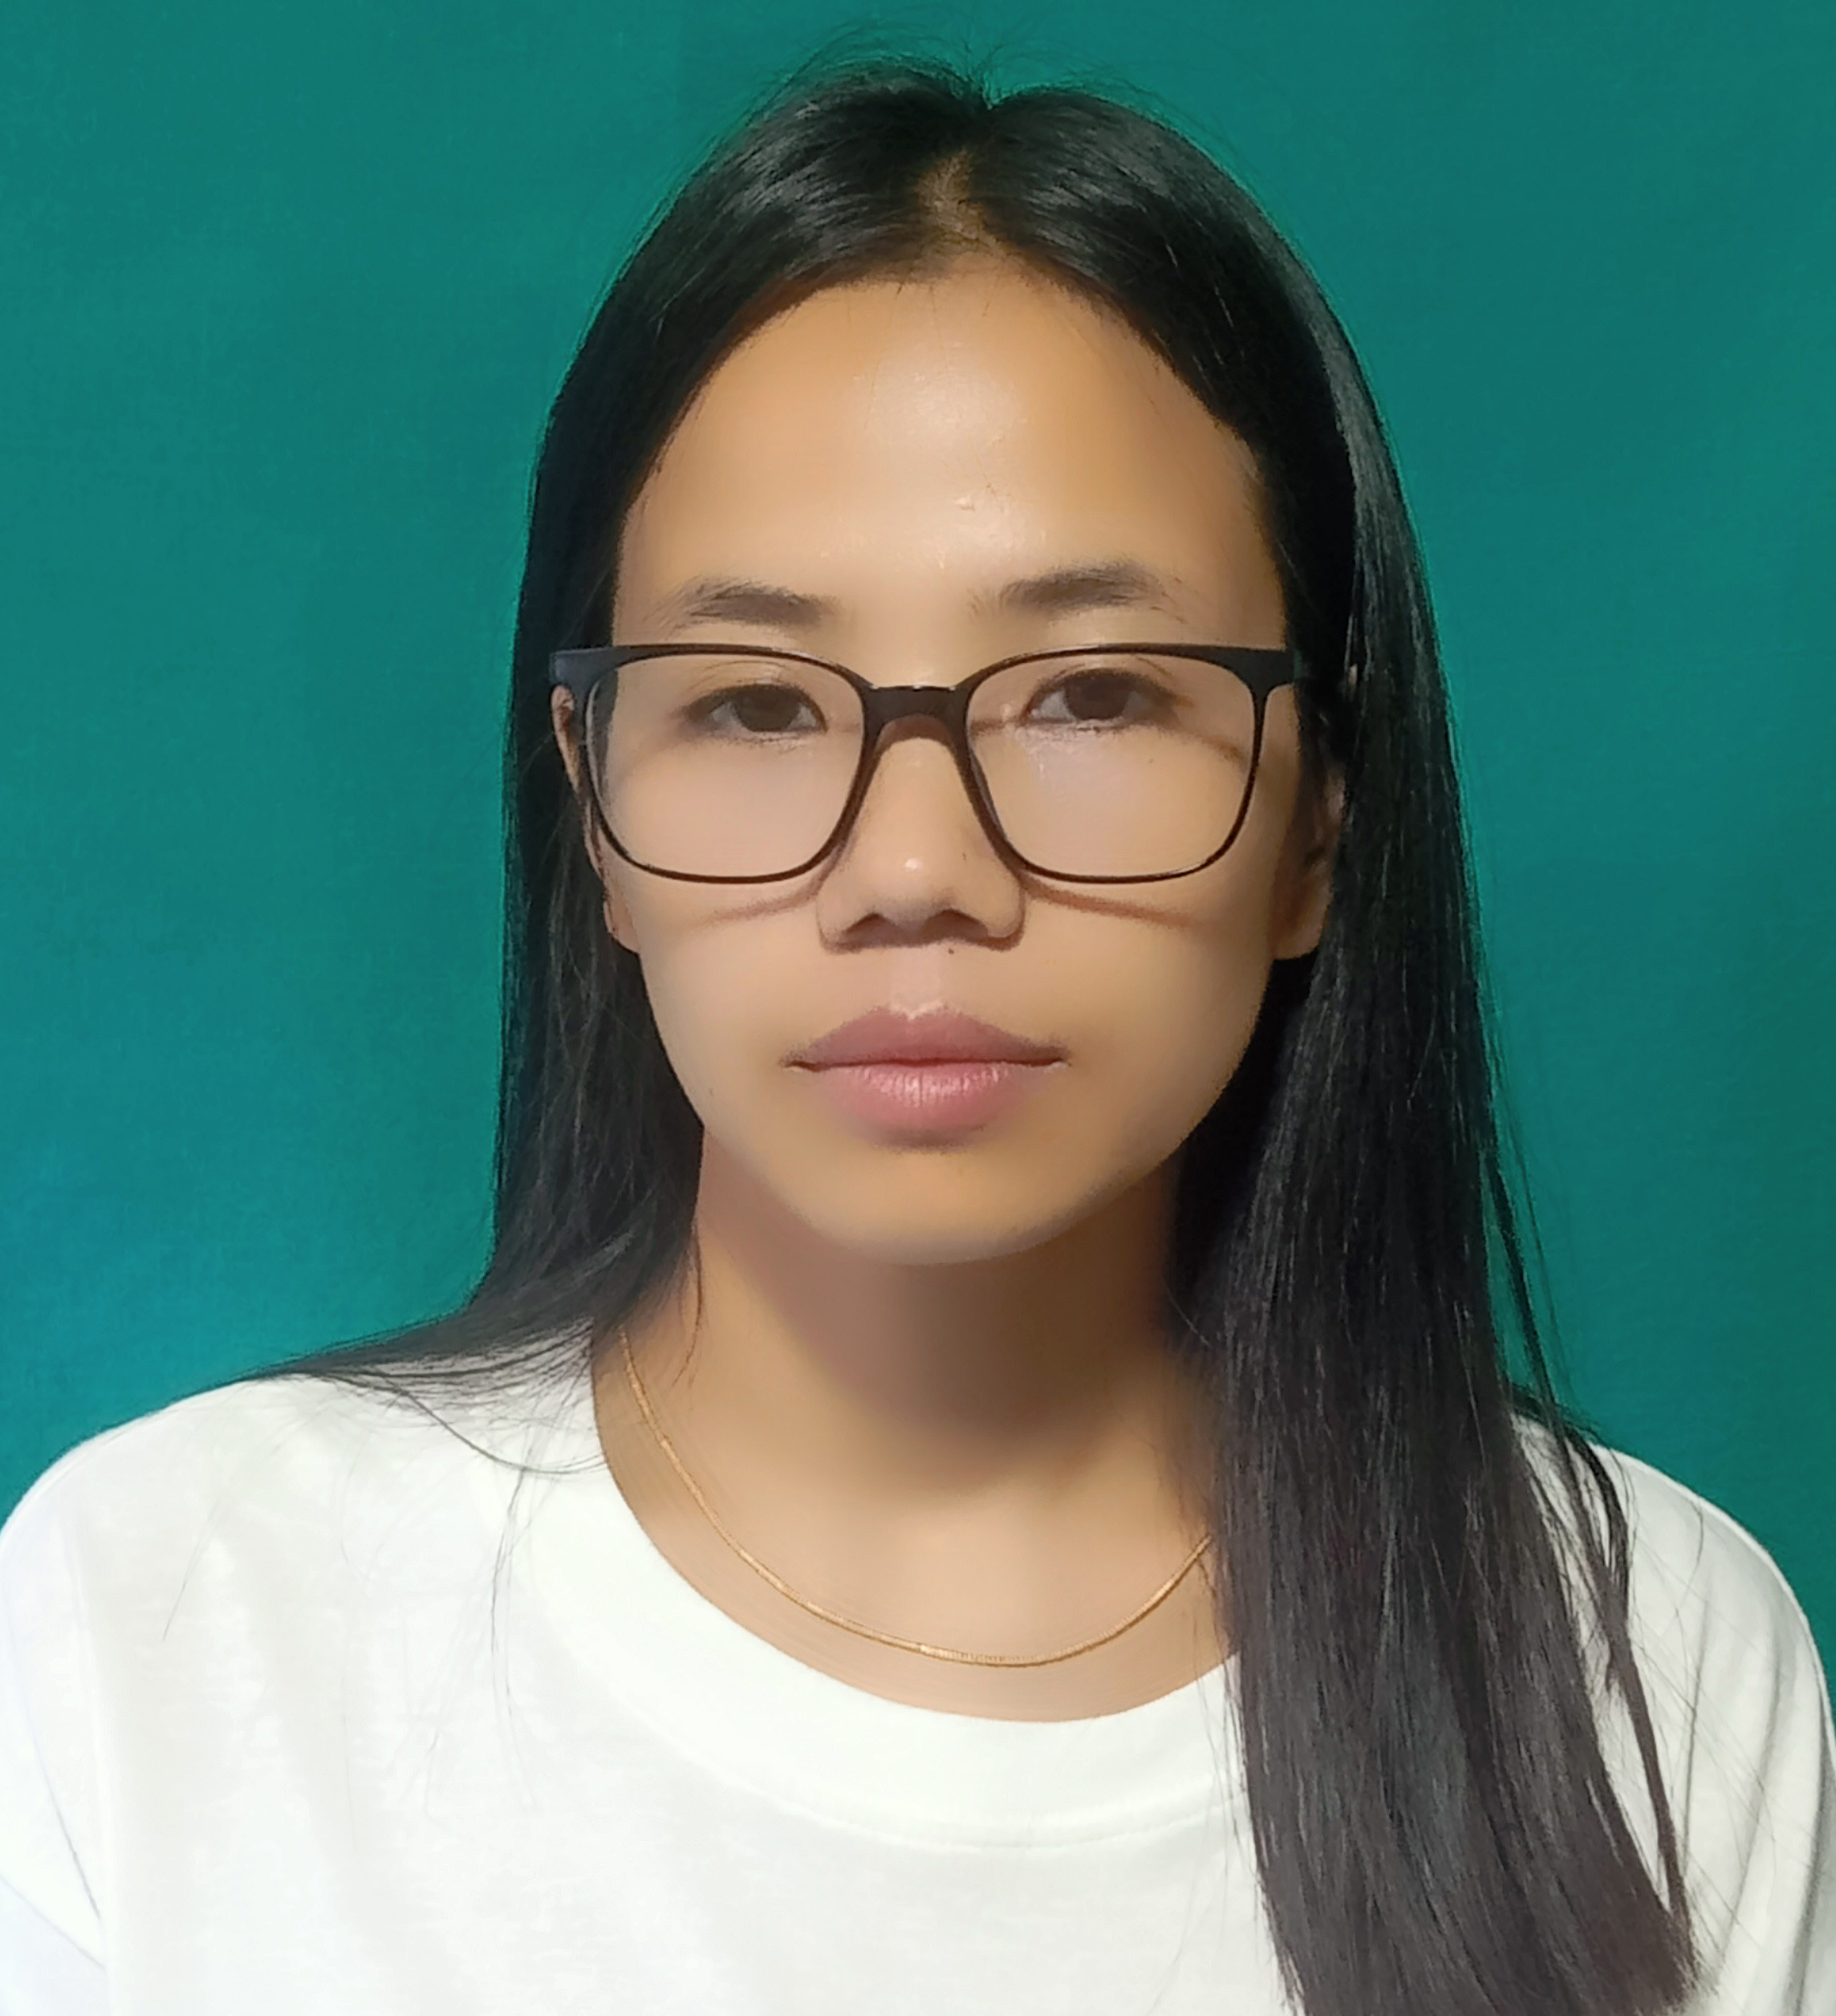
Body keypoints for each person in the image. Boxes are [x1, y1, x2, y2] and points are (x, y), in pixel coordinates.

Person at [0, 56, 1830, 2016]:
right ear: (591, 806)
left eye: (1094, 694)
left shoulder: (1645, 1665)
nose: (912, 868)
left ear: (1315, 818)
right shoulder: (159, 1616)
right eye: (755, 703)